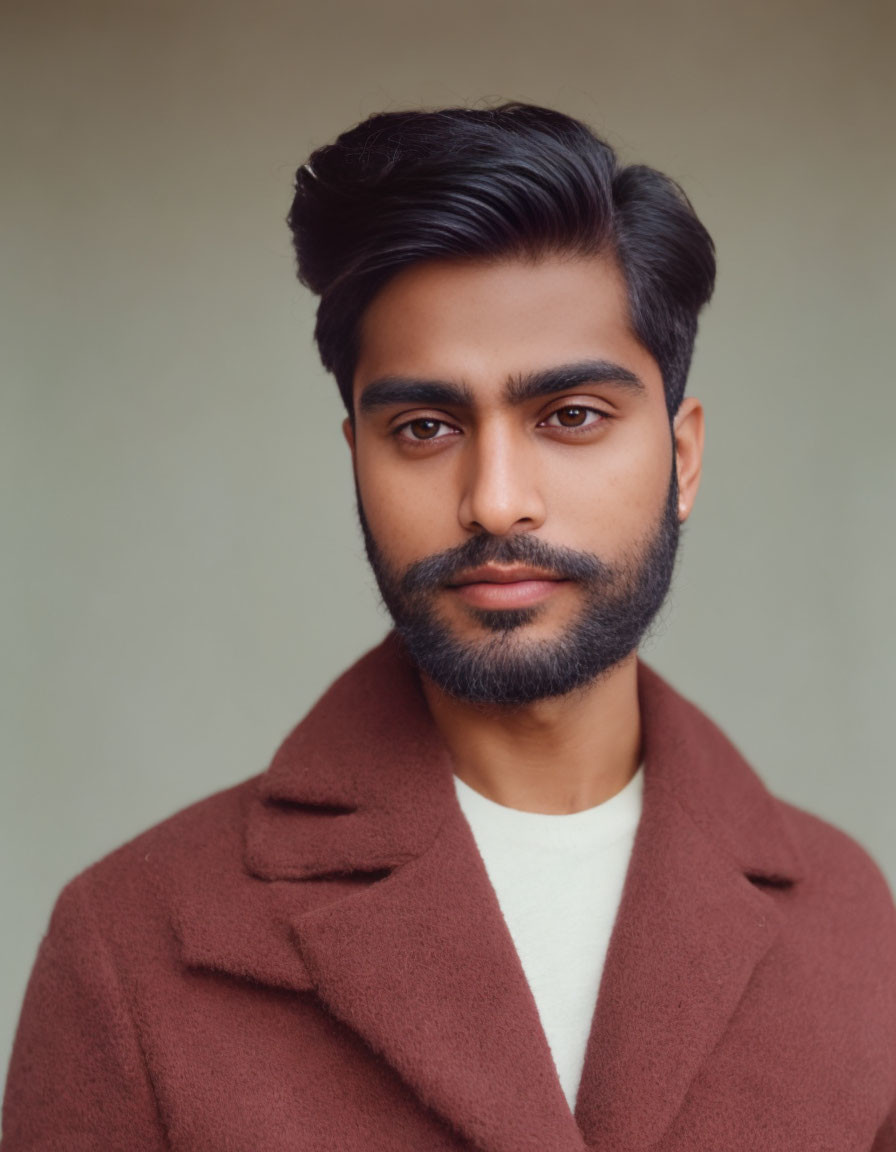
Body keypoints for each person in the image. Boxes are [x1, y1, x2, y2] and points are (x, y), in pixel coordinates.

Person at [3, 104, 895, 1152]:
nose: (495, 501)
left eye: (569, 416)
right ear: (355, 458)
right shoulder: (131, 942)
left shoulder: (851, 923)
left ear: (682, 457)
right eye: (424, 428)